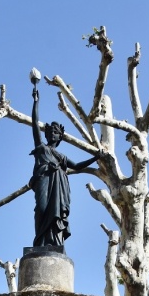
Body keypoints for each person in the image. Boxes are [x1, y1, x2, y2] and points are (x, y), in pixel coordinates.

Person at [30, 86, 100, 248]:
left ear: (60, 136)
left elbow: (76, 166)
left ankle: (54, 242)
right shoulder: (42, 148)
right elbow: (34, 125)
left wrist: (96, 157)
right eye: (50, 131)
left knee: (56, 213)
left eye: (55, 131)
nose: (52, 133)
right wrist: (36, 103)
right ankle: (39, 242)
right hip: (43, 182)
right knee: (41, 209)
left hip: (59, 187)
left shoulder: (61, 157)